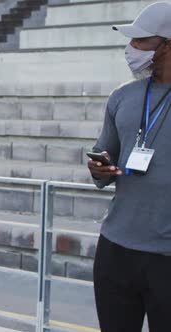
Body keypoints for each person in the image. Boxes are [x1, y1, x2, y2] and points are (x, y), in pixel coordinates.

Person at [88, 2, 171, 331]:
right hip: (115, 250)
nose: (130, 49)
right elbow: (103, 155)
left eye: (140, 41)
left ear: (167, 44)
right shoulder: (122, 96)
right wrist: (99, 169)